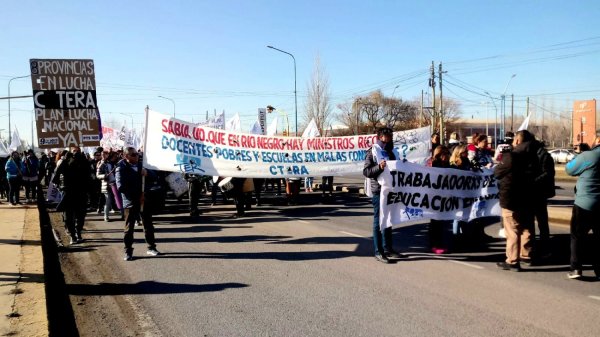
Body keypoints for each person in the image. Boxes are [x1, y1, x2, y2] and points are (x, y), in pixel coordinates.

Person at [494, 130, 539, 271]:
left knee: (512, 230)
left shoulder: (512, 156)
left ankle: (512, 260)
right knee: (526, 227)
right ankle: (526, 255)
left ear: (518, 141)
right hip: (528, 196)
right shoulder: (535, 156)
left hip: (511, 198)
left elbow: (497, 172)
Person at [363, 127, 403, 263]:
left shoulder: (392, 152)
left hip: (391, 190)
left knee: (389, 220)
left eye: (390, 135)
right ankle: (378, 251)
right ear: (380, 137)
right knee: (378, 221)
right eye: (387, 135)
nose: (389, 137)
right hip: (379, 191)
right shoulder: (372, 152)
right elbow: (367, 171)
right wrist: (379, 167)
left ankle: (388, 248)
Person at [565, 139, 600, 279]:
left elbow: (569, 169)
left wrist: (578, 154)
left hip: (585, 202)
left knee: (577, 236)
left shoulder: (589, 156)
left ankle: (576, 268)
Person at [116, 147, 159, 261]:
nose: (137, 156)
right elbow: (121, 187)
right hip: (130, 201)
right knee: (129, 228)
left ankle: (151, 247)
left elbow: (155, 177)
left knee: (148, 225)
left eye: (136, 154)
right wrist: (137, 195)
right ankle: (128, 251)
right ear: (126, 156)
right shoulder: (121, 168)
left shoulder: (142, 165)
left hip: (144, 200)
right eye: (133, 154)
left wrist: (147, 173)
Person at [53, 147, 92, 244]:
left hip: (81, 193)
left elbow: (90, 177)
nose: (76, 153)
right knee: (69, 217)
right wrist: (61, 187)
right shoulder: (65, 162)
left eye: (78, 151)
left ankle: (78, 233)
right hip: (68, 193)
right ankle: (73, 236)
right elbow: (56, 177)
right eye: (74, 151)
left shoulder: (84, 162)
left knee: (81, 216)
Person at [532, 140, 555, 258]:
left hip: (538, 191)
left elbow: (547, 173)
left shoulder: (543, 156)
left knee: (541, 221)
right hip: (540, 191)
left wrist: (533, 180)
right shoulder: (541, 155)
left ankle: (544, 247)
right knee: (542, 221)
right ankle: (543, 246)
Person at [429, 146, 451, 254]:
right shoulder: (434, 164)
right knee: (435, 222)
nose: (448, 156)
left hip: (443, 196)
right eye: (446, 154)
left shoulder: (446, 164)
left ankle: (439, 243)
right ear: (440, 154)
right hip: (434, 196)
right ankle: (434, 245)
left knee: (440, 222)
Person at [96, 151, 117, 222]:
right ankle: (106, 216)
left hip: (114, 183)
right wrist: (105, 176)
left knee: (118, 199)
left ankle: (124, 215)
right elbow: (97, 175)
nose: (104, 156)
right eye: (103, 154)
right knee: (108, 201)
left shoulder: (111, 163)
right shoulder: (100, 163)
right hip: (106, 184)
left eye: (105, 154)